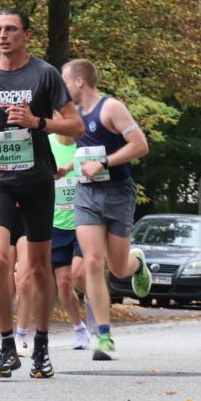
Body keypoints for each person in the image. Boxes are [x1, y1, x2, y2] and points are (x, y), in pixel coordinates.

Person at [0, 8, 85, 379]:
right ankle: (6, 346)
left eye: (11, 29)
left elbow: (76, 124)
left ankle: (42, 346)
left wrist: (38, 123)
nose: (3, 35)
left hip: (36, 179)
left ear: (26, 34)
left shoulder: (44, 74)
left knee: (37, 266)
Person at [60, 58, 151, 360]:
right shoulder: (74, 115)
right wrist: (68, 167)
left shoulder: (111, 108)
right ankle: (104, 336)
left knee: (119, 266)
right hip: (86, 192)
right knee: (93, 263)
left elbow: (140, 145)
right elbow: (85, 149)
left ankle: (137, 264)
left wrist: (104, 163)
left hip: (118, 192)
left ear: (79, 82)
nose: (62, 86)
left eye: (64, 80)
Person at [49, 132, 91, 350]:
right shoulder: (45, 144)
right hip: (56, 224)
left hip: (84, 221)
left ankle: (95, 306)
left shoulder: (86, 145)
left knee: (79, 274)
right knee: (64, 284)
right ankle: (79, 329)